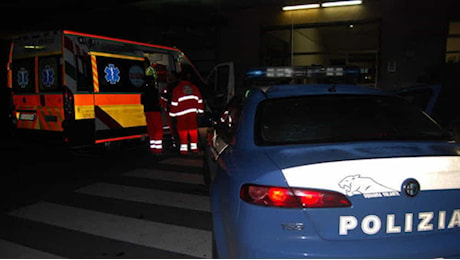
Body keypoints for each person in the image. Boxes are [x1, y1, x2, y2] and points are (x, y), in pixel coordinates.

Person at [169, 67, 204, 155]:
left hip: (181, 115)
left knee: (182, 131)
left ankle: (184, 149)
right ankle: (194, 148)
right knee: (193, 130)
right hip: (192, 113)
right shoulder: (194, 88)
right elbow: (199, 100)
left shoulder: (176, 89)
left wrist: (172, 114)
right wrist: (200, 111)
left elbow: (174, 103)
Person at [141, 59, 163, 154]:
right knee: (157, 129)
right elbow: (158, 100)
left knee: (151, 129)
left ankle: (153, 147)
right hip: (155, 111)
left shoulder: (144, 90)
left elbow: (142, 101)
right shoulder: (153, 90)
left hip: (147, 111)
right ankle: (158, 149)